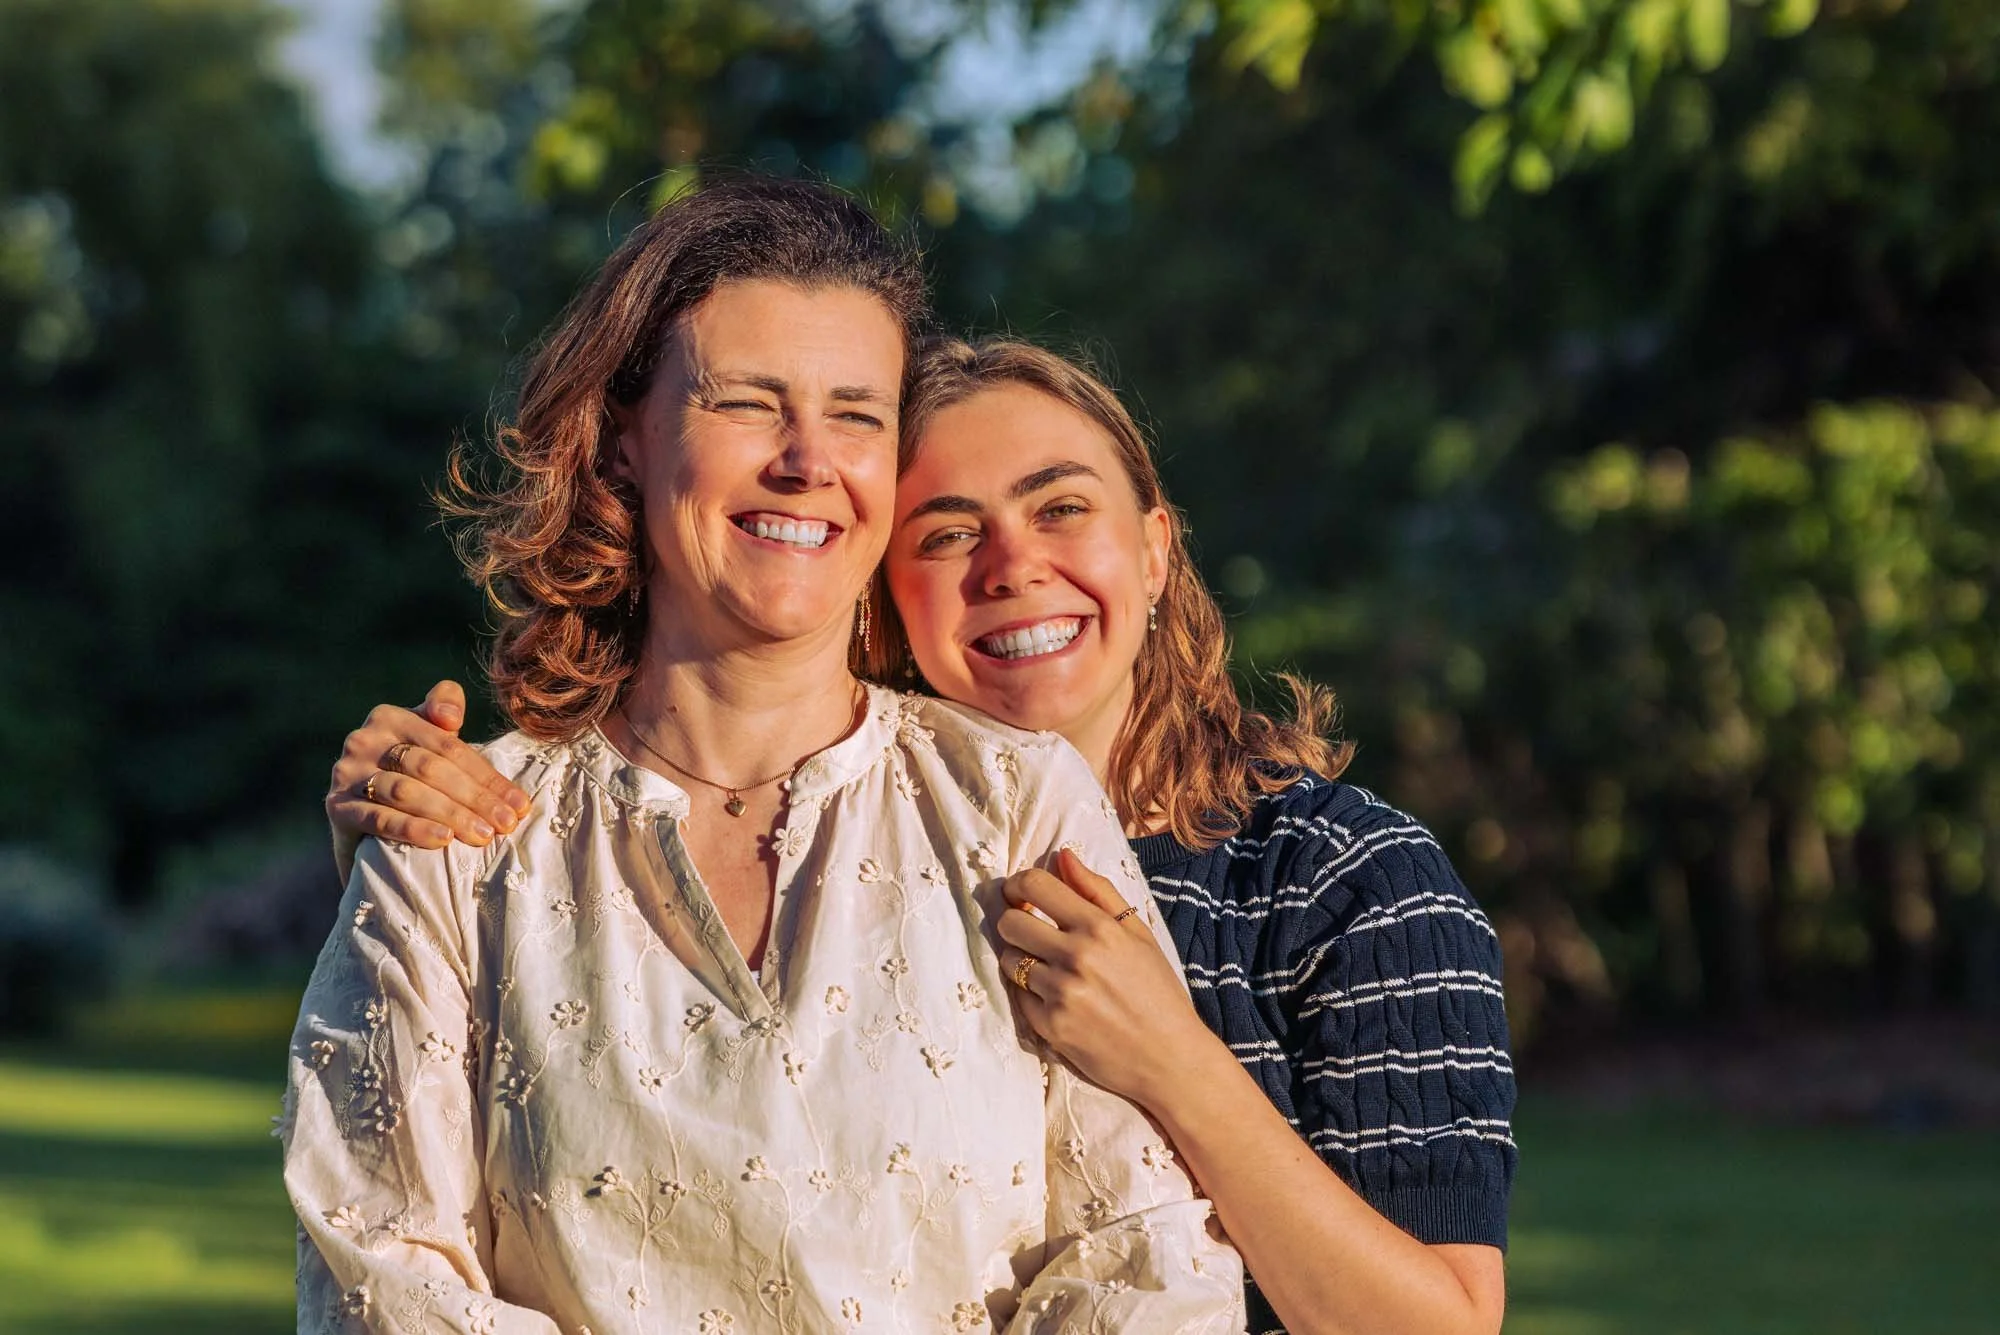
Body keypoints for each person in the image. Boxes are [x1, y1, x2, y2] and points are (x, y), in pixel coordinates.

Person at [331, 336, 1516, 1335]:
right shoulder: (830, 849)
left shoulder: (1344, 880)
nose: (1011, 567)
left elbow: (1448, 1321)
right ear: (880, 592)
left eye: (1061, 507)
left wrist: (1172, 1059)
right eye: (945, 535)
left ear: (1154, 550)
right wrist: (413, 849)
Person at [284, 178, 1247, 1335]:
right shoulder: (458, 838)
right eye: (747, 404)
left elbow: (1145, 1263)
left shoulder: (1015, 800)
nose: (806, 459)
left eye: (855, 414)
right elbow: (381, 1283)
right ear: (624, 439)